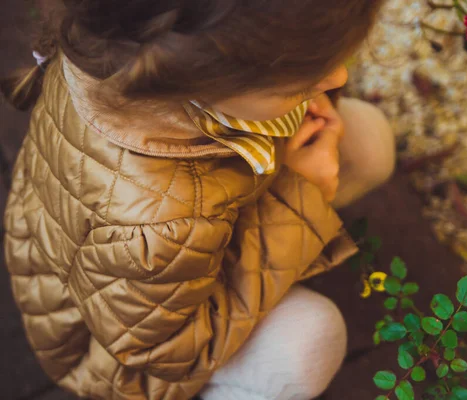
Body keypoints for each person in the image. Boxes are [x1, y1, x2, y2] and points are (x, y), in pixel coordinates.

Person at [1, 1, 395, 399]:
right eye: (301, 80)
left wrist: (301, 93)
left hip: (169, 261)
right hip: (134, 354)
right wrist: (301, 201)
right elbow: (175, 353)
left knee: (368, 145)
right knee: (312, 339)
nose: (339, 76)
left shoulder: (139, 41)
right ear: (211, 80)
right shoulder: (148, 228)